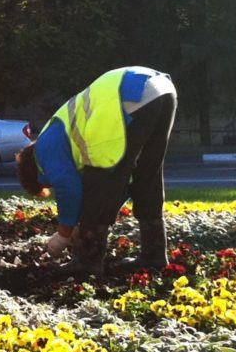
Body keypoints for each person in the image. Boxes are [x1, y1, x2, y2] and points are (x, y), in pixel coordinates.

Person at [14, 65, 177, 280]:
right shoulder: (63, 133)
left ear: (35, 172)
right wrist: (87, 218)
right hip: (161, 90)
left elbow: (68, 186)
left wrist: (63, 235)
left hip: (127, 98)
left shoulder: (44, 148)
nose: (51, 183)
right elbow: (123, 185)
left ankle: (87, 263)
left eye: (46, 185)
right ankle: (153, 255)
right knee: (147, 178)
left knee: (99, 177)